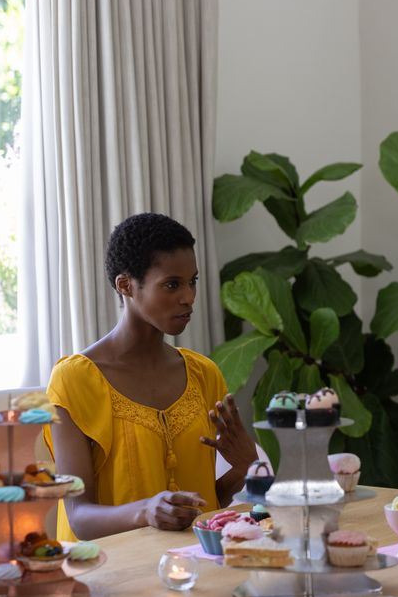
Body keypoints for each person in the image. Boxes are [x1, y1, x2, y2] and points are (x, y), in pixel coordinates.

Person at [45, 213, 263, 541]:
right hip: (110, 573)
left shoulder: (205, 375)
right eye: (172, 284)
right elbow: (78, 517)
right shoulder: (74, 380)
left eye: (193, 281)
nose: (188, 296)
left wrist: (245, 468)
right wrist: (145, 511)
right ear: (126, 286)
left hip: (190, 569)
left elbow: (207, 504)